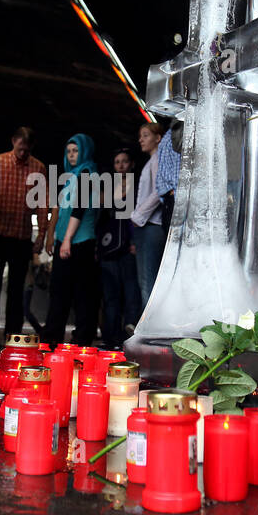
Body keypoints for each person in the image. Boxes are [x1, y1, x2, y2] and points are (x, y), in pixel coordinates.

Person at [0, 126, 45, 346]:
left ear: (32, 148)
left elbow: (42, 205)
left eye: (27, 150)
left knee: (16, 288)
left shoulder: (38, 168)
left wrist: (41, 236)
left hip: (22, 235)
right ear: (13, 141)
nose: (22, 153)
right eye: (20, 148)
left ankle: (12, 334)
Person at [42, 134, 100, 347]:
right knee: (61, 292)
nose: (71, 155)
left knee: (80, 293)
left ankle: (79, 339)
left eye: (75, 151)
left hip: (79, 241)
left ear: (84, 150)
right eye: (68, 151)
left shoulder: (87, 172)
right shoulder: (71, 176)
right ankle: (53, 339)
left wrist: (66, 239)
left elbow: (80, 208)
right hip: (67, 241)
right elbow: (60, 210)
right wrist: (53, 236)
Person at [97, 147, 140, 348]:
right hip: (108, 246)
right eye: (117, 162)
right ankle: (109, 338)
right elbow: (100, 219)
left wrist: (136, 242)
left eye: (124, 161)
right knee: (111, 296)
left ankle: (128, 338)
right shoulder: (107, 187)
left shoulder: (139, 186)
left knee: (131, 293)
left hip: (128, 247)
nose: (121, 165)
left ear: (131, 164)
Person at [130, 121, 165, 306]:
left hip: (151, 226)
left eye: (146, 135)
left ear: (158, 138)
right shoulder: (152, 160)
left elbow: (160, 190)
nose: (140, 140)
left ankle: (149, 332)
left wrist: (138, 215)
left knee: (147, 280)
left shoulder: (158, 158)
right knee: (145, 280)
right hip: (147, 226)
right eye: (140, 136)